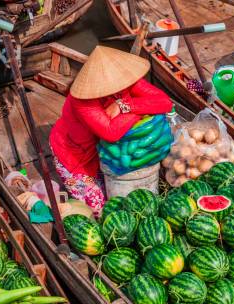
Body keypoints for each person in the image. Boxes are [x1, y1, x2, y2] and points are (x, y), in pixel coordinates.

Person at [50, 46, 172, 217]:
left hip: (104, 149)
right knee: (100, 210)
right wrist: (143, 108)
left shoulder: (127, 81)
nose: (117, 87)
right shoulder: (82, 101)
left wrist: (126, 106)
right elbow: (110, 132)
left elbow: (165, 102)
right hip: (76, 154)